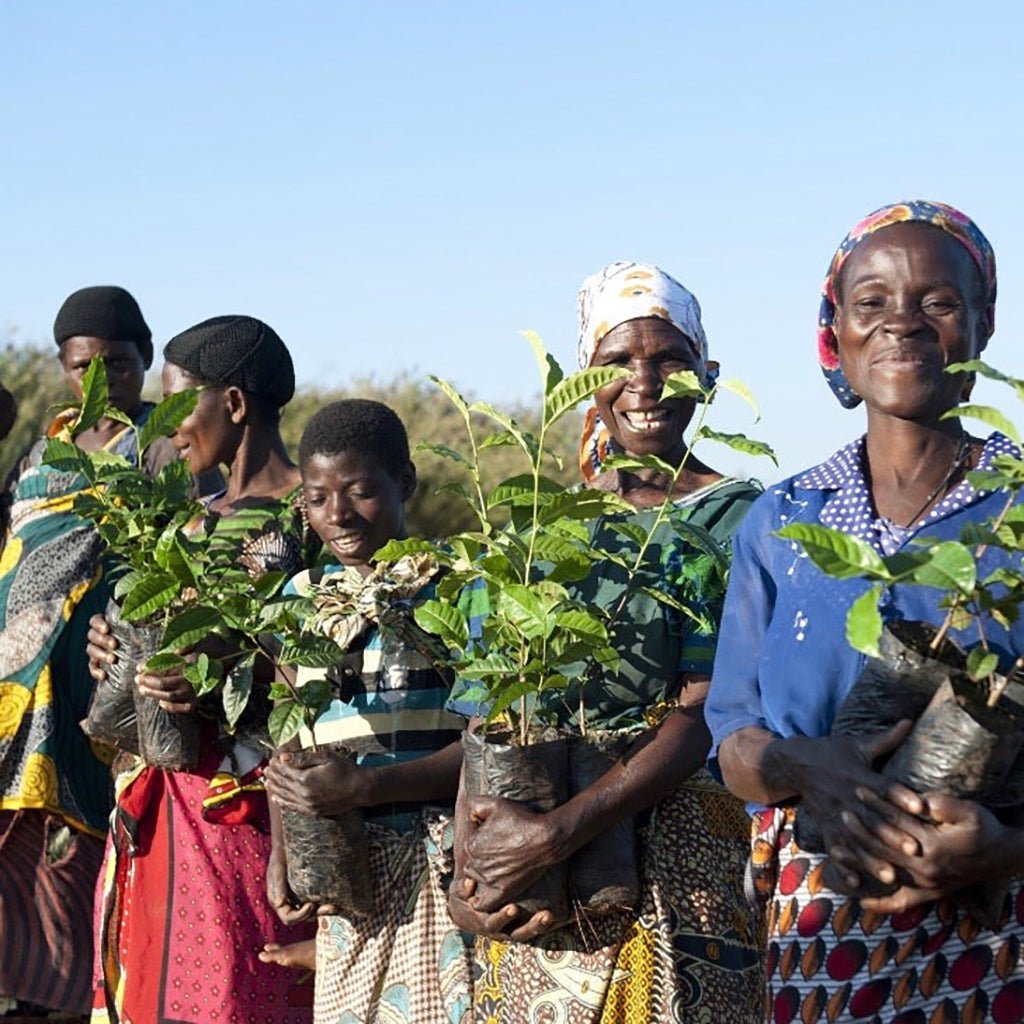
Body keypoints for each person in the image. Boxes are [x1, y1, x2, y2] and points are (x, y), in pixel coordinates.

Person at [705, 201, 1024, 1022]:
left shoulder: (1014, 509)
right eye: (872, 302)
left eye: (938, 302)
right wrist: (802, 765)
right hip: (822, 927)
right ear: (836, 330)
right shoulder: (783, 521)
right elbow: (734, 733)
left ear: (983, 326)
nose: (902, 324)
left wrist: (1007, 849)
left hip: (999, 921)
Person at [447, 261, 765, 1022]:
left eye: (670, 361)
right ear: (584, 382)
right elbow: (489, 720)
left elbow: (706, 711)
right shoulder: (535, 534)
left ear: (708, 377)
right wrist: (474, 873)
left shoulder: (742, 519)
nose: (645, 383)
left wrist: (558, 833)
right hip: (534, 885)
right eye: (617, 362)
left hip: (684, 871)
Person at [86, 316, 319, 1024]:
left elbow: (312, 654)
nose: (171, 430)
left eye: (182, 406)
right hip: (166, 801)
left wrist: (218, 670)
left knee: (236, 992)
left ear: (237, 405)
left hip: (249, 812)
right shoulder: (189, 522)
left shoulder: (312, 514)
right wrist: (114, 651)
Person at [0, 285, 193, 1019]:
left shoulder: (166, 444)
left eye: (119, 363)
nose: (100, 381)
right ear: (62, 368)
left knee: (77, 844)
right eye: (84, 366)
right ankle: (22, 990)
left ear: (145, 361)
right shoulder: (40, 450)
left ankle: (72, 992)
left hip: (96, 681)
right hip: (14, 688)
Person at [261, 399, 474, 1024]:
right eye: (317, 497)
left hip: (438, 866)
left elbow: (490, 743)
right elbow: (287, 741)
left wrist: (369, 785)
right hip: (341, 865)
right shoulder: (297, 600)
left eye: (359, 492)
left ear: (404, 482)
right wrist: (284, 852)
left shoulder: (455, 586)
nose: (338, 515)